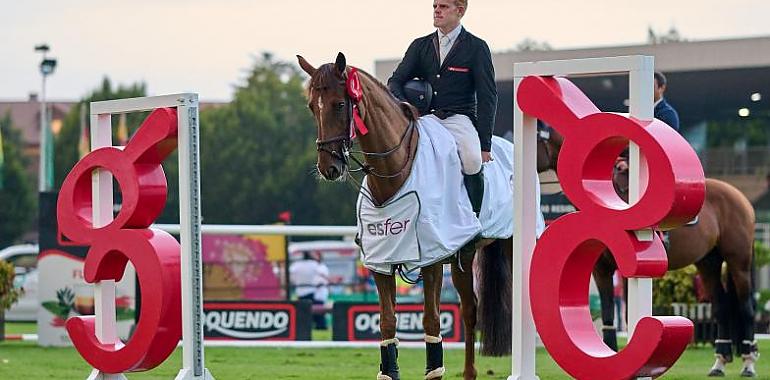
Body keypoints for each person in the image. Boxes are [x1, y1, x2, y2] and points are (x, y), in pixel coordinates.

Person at [387, 0, 497, 216]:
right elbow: (395, 82)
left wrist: (485, 145)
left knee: (473, 160)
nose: (437, 10)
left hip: (459, 118)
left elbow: (488, 97)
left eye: (444, 6)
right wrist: (405, 106)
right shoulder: (420, 45)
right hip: (425, 118)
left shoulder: (477, 47)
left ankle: (475, 218)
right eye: (435, 6)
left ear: (460, 11)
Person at [289, 251, 330, 329]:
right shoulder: (314, 264)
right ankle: (320, 326)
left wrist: (294, 281)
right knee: (313, 311)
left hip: (300, 292)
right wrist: (330, 280)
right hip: (310, 291)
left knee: (303, 312)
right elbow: (322, 274)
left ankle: (305, 326)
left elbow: (290, 273)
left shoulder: (297, 265)